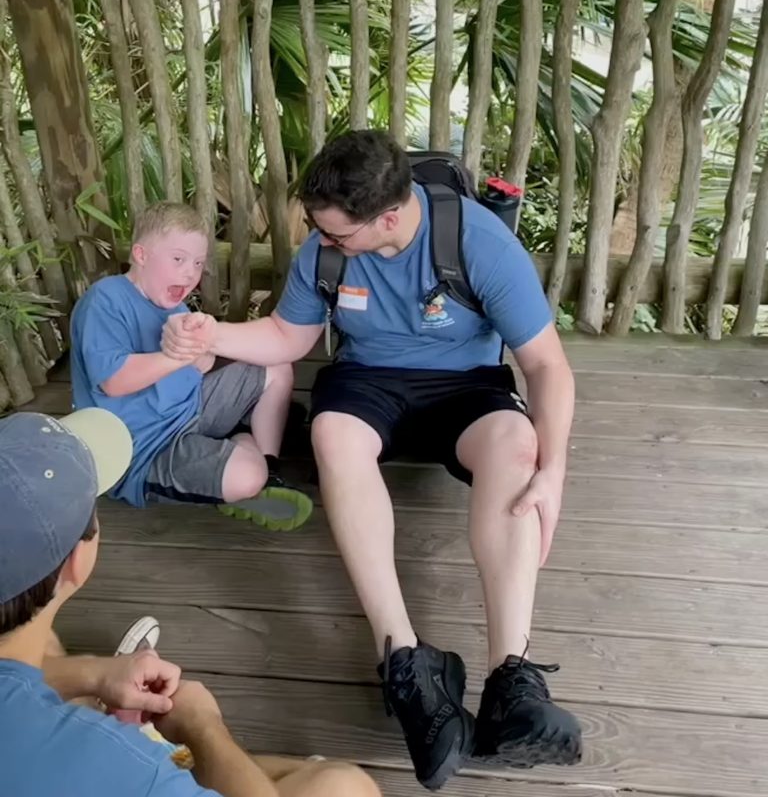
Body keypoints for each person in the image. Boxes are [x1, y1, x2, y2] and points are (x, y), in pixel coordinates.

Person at [162, 130, 582, 791]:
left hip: (466, 384)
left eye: (335, 232)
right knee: (332, 434)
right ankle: (407, 661)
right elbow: (289, 336)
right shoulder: (325, 252)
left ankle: (513, 679)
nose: (321, 240)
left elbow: (546, 367)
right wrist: (212, 334)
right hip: (368, 382)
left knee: (516, 445)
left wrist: (552, 473)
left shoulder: (478, 243)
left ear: (388, 217)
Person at [0, 408, 382, 797]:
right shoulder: (128, 768)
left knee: (42, 640)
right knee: (345, 786)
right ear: (78, 561)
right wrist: (202, 726)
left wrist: (96, 675)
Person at [70, 201, 312, 530]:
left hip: (190, 407)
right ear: (141, 255)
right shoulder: (105, 299)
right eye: (178, 259)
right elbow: (114, 381)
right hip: (144, 446)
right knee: (246, 477)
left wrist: (202, 345)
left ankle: (270, 470)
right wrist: (177, 356)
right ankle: (247, 449)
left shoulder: (174, 305)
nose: (190, 272)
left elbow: (201, 366)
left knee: (278, 366)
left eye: (198, 263)